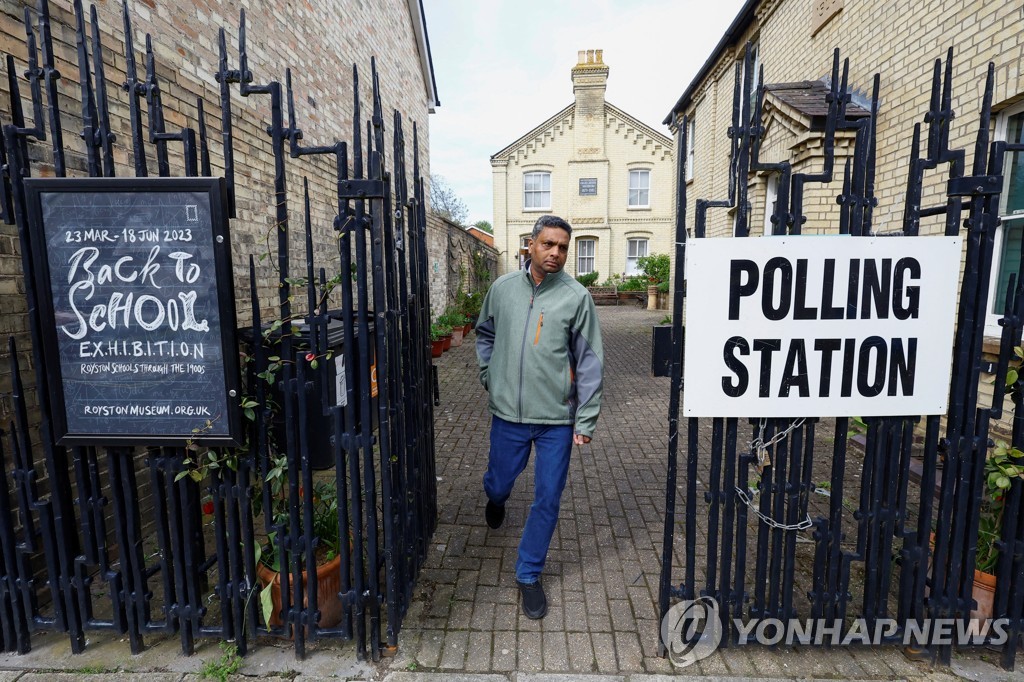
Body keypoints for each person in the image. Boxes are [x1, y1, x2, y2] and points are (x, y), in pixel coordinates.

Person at [474, 214, 604, 619]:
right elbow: (485, 334)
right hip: (508, 415)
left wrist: (585, 419)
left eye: (563, 247)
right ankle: (496, 498)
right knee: (499, 481)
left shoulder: (576, 297)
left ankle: (528, 573)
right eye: (548, 244)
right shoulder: (502, 289)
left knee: (548, 498)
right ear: (530, 245)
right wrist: (489, 376)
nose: (556, 253)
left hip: (556, 421)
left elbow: (589, 362)